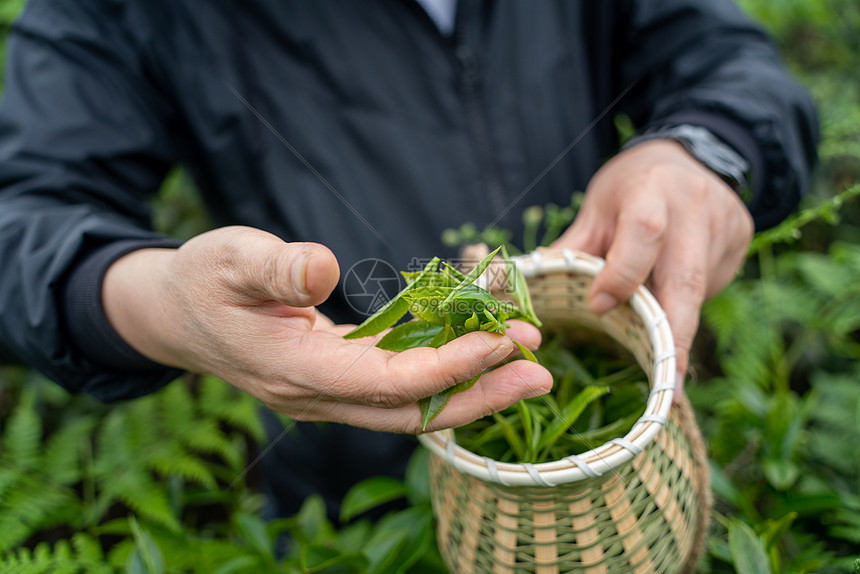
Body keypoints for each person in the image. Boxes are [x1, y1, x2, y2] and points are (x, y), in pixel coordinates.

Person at [0, 0, 817, 518]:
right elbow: (25, 217)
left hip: (611, 456)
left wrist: (703, 151)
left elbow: (726, 60)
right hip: (349, 488)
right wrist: (164, 306)